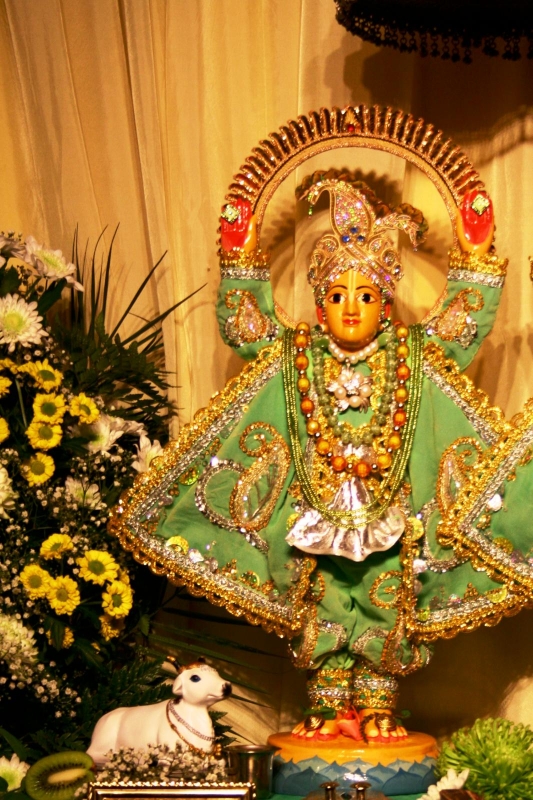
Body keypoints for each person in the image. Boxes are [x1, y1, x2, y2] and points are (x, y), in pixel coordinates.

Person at [114, 174, 532, 744]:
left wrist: (475, 256)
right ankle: (328, 701)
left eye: (366, 296)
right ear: (319, 304)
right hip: (313, 516)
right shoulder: (296, 355)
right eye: (337, 296)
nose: (351, 308)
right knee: (321, 598)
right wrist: (239, 256)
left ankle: (379, 703)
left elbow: (459, 329)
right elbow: (247, 327)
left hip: (390, 517)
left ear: (386, 305)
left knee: (387, 596)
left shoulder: (411, 354)